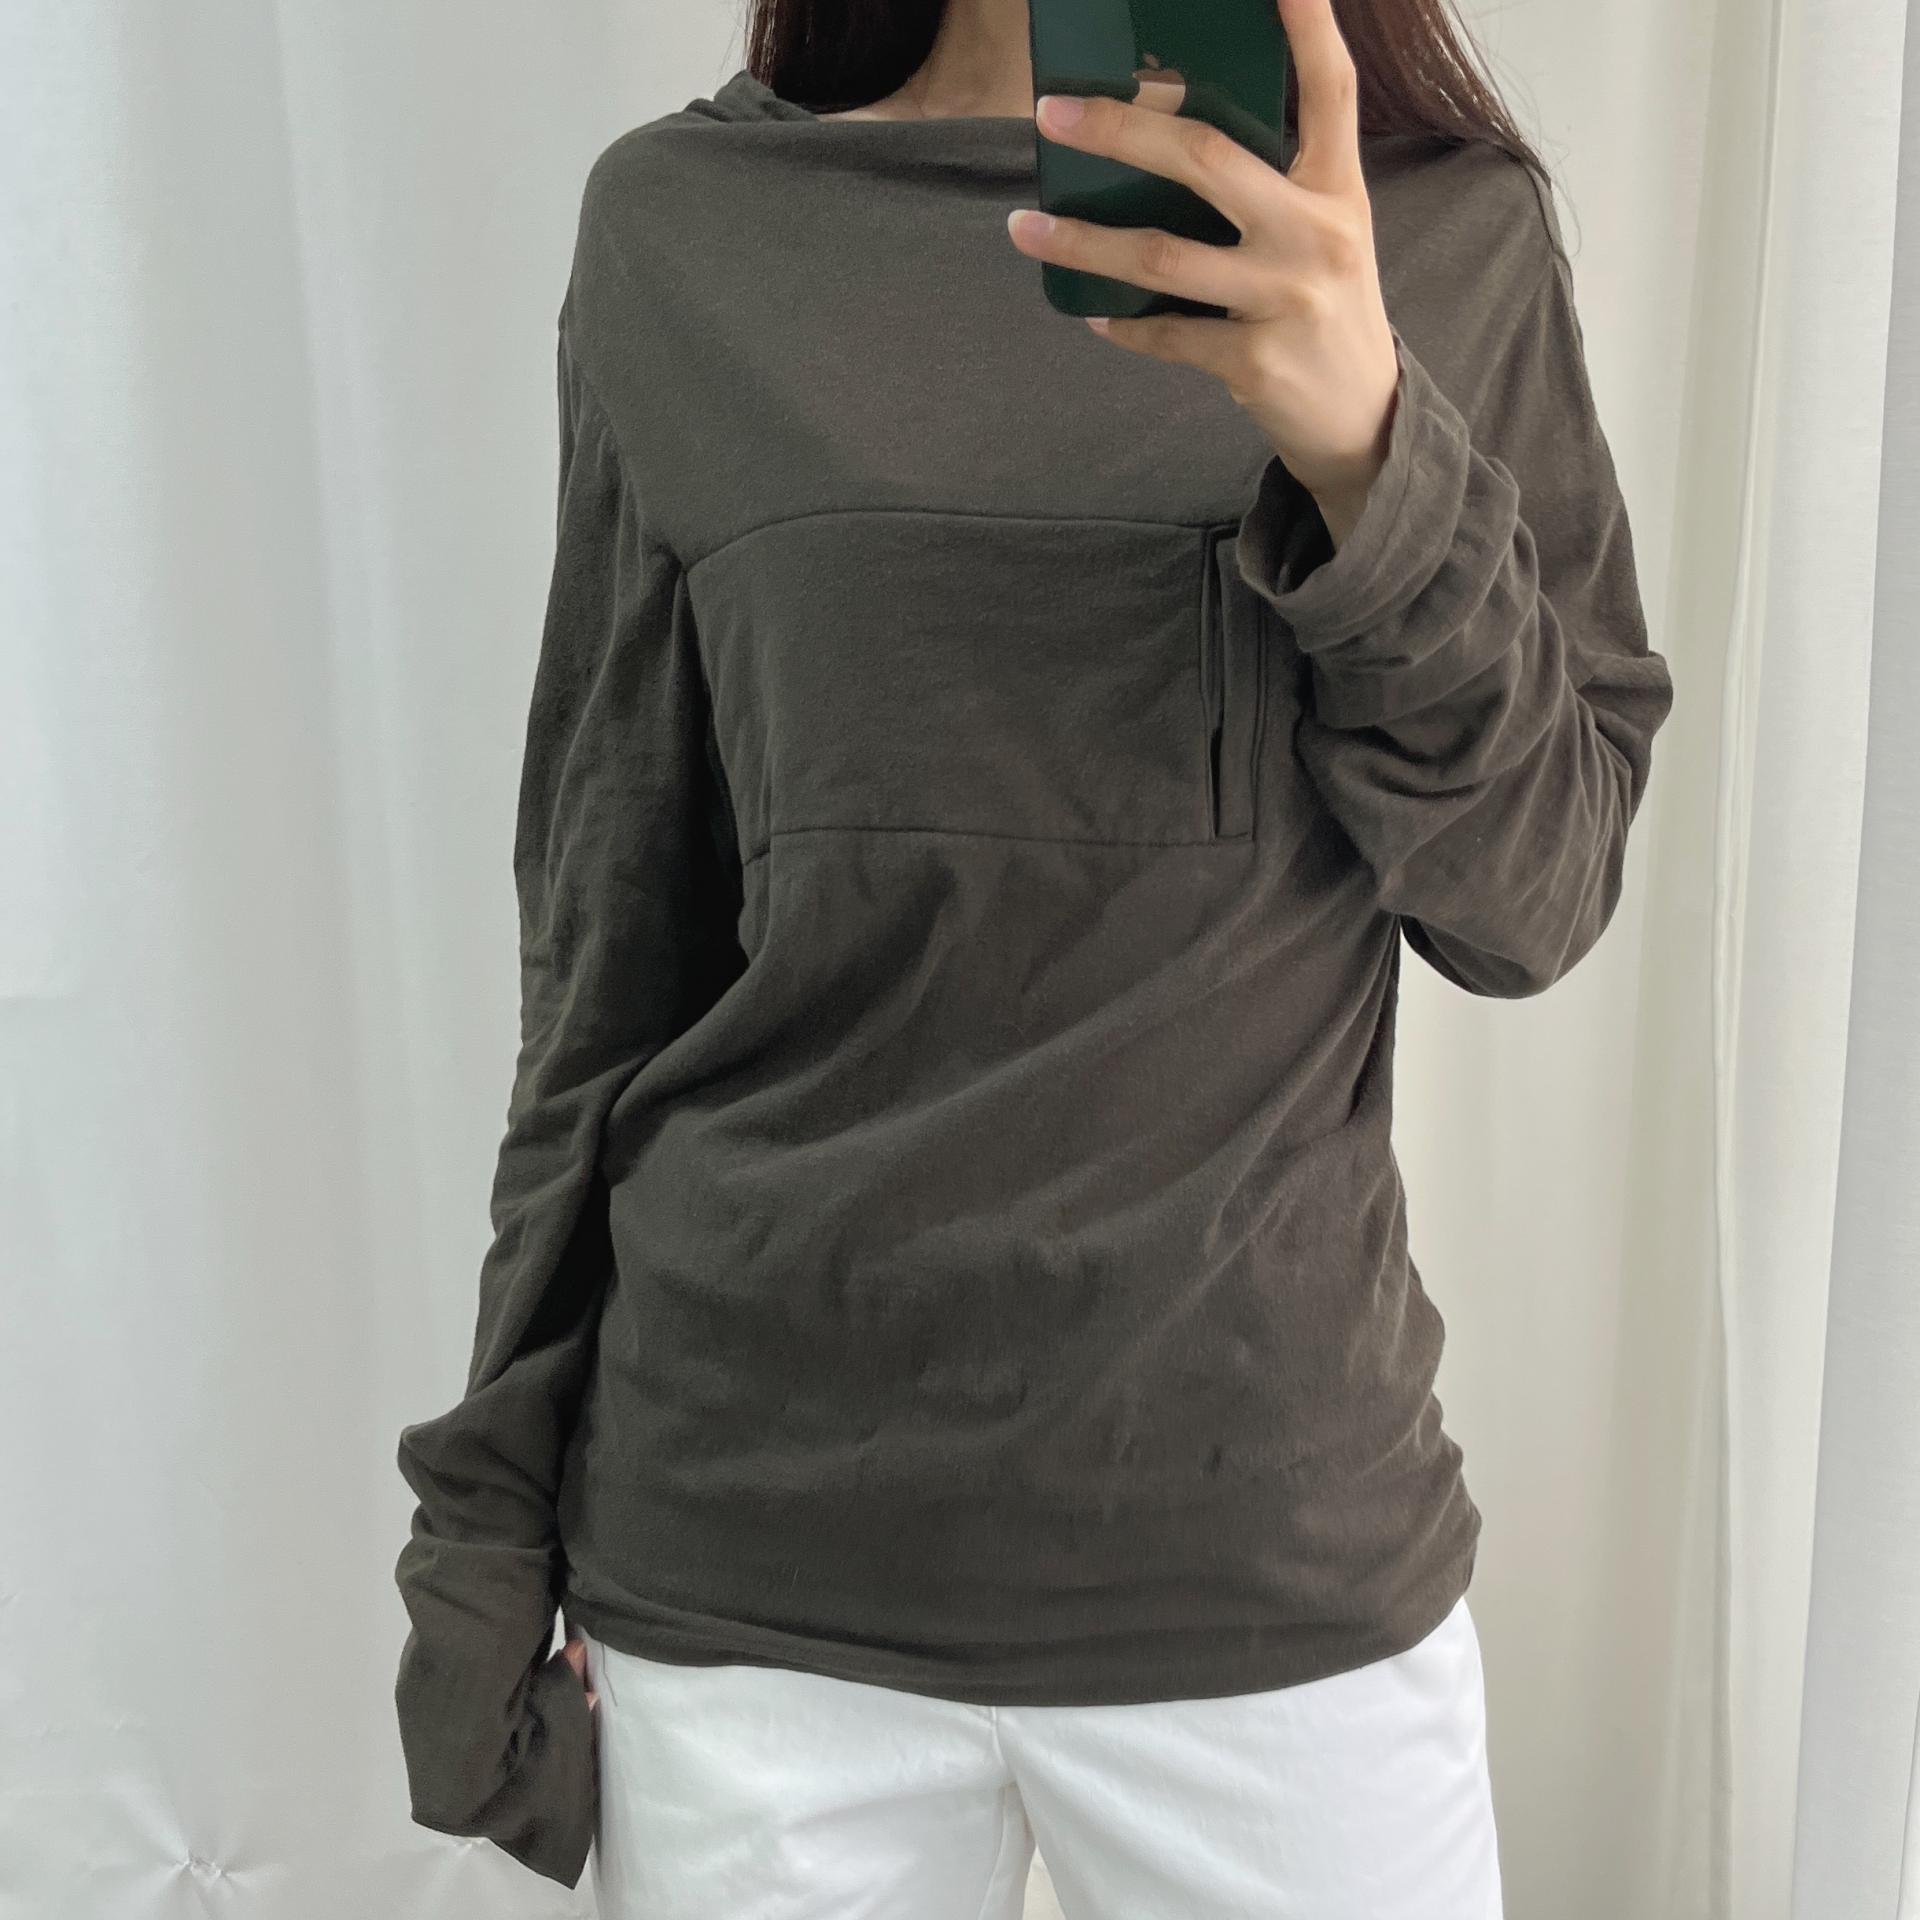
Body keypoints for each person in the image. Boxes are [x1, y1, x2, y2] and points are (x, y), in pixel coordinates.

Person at [390, 0, 1675, 1912]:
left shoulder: (1433, 234)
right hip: (753, 1578)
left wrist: (1369, 448)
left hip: (1263, 1552)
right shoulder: (690, 226)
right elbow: (605, 940)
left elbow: (1535, 898)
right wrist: (487, 1515)